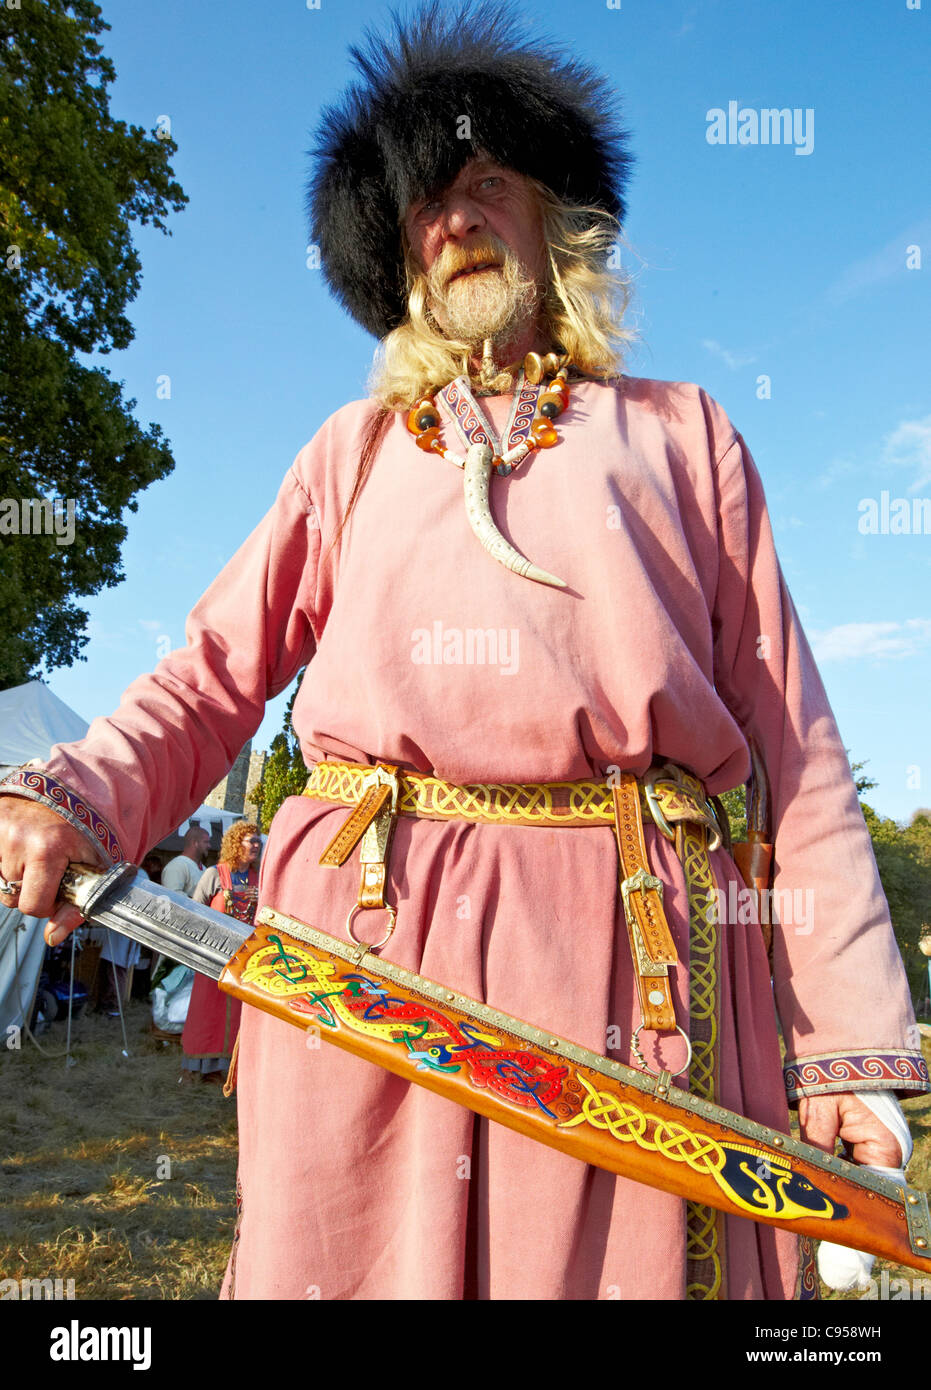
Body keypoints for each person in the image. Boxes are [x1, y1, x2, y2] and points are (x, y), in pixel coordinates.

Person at [0, 7, 926, 1300]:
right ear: (397, 252)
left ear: (556, 222)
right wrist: (74, 796)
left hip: (633, 970)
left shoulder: (682, 435)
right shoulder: (350, 452)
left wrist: (855, 1056)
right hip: (363, 968)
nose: (454, 215)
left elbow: (798, 757)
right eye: (424, 199)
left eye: (487, 180)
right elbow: (211, 674)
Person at [179, 821, 260, 1085]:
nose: (257, 845)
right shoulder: (215, 874)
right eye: (251, 841)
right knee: (206, 1009)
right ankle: (200, 1066)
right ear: (237, 844)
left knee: (240, 1012)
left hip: (248, 958)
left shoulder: (261, 878)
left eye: (258, 841)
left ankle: (234, 1068)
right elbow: (195, 909)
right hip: (213, 955)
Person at [161, 825, 210, 897]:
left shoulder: (204, 868)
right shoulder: (177, 866)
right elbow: (172, 897)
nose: (209, 846)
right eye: (206, 842)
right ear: (195, 843)